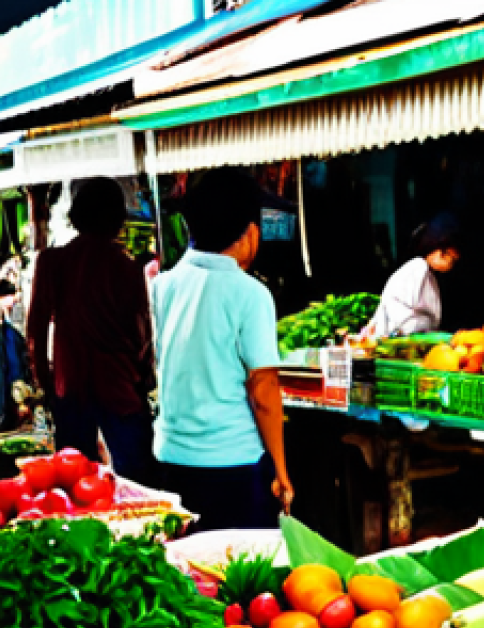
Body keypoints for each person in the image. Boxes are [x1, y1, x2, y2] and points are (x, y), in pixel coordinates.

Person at [151, 167, 292, 531]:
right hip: (234, 465)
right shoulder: (250, 294)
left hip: (171, 459)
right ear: (249, 232)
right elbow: (264, 391)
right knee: (243, 577)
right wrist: (280, 469)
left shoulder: (164, 285)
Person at [27, 177, 155, 484]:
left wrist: (45, 382)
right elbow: (141, 334)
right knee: (137, 481)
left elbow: (36, 330)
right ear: (117, 219)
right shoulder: (126, 268)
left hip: (70, 384)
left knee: (72, 480)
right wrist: (145, 380)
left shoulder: (52, 262)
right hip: (119, 384)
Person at [360, 213, 460, 338]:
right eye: (450, 258)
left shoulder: (429, 274)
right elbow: (402, 314)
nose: (450, 264)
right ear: (436, 250)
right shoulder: (418, 267)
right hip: (399, 337)